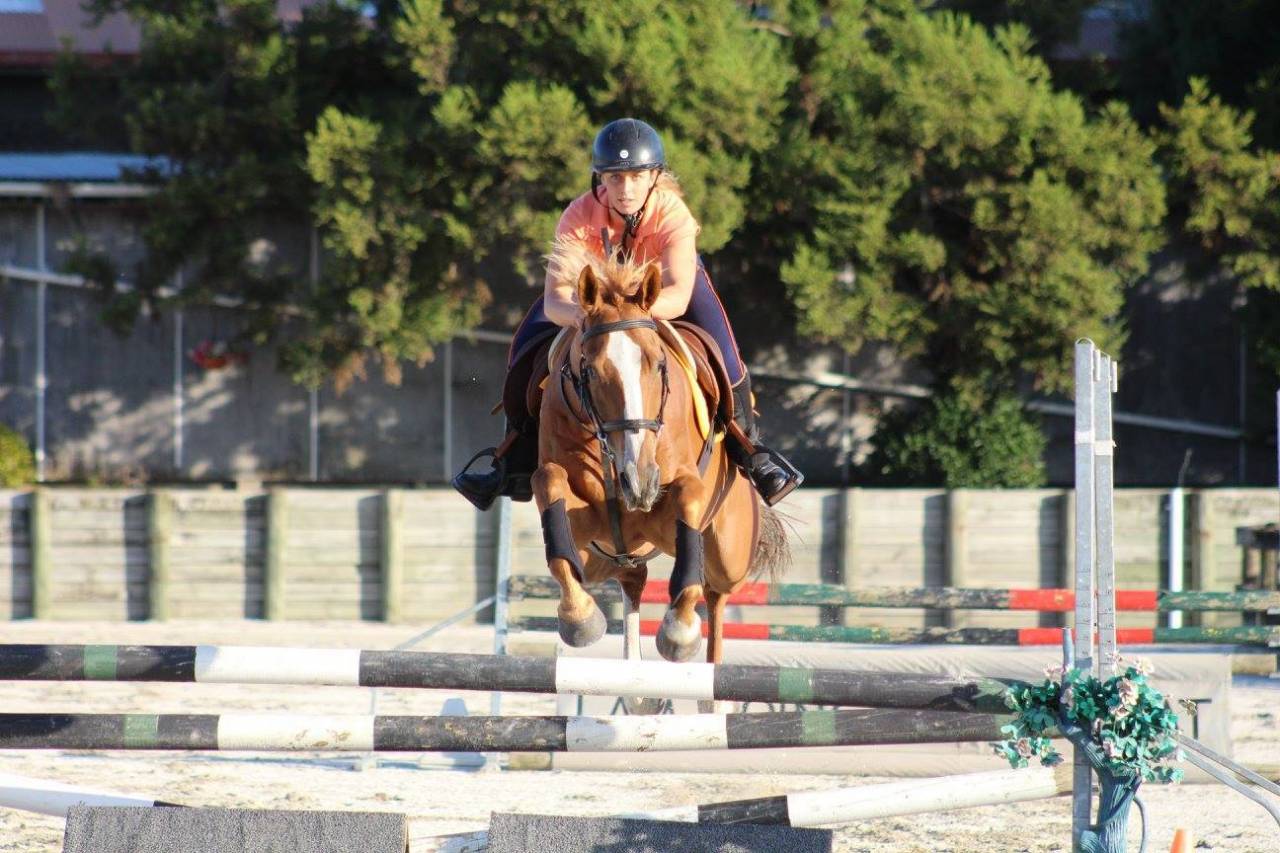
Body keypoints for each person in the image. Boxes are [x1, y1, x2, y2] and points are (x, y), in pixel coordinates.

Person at [452, 118, 803, 509]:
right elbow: (555, 303)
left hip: (662, 292)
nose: (626, 189)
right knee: (524, 349)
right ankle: (512, 458)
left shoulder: (673, 214)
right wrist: (592, 319)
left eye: (637, 176)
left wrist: (630, 318)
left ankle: (752, 453)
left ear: (655, 176)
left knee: (726, 355)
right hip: (597, 299)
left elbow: (677, 297)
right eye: (615, 178)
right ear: (599, 178)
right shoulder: (577, 214)